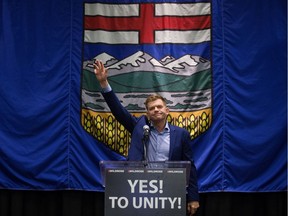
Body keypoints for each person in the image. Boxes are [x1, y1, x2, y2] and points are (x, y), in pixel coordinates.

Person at [94, 60, 200, 215]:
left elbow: (190, 168)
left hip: (170, 191)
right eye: (152, 108)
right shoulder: (139, 127)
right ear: (148, 113)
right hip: (141, 190)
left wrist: (193, 198)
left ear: (167, 110)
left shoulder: (181, 134)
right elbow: (118, 111)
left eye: (159, 107)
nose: (156, 110)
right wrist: (104, 83)